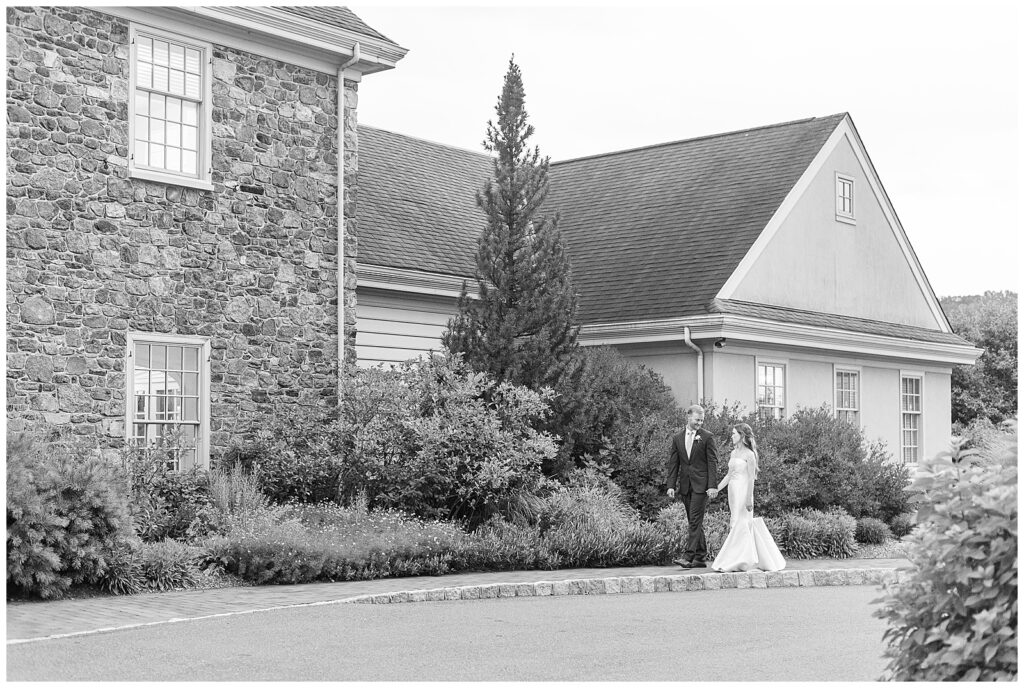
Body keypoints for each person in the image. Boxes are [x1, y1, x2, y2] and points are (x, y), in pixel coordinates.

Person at [707, 423, 785, 572]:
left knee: (741, 522)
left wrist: (749, 498)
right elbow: (729, 475)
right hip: (733, 490)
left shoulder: (750, 454)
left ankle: (742, 561)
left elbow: (751, 478)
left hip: (744, 491)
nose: (731, 436)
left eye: (734, 433)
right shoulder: (733, 453)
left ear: (742, 436)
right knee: (734, 521)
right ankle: (736, 559)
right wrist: (716, 489)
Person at [665, 404, 718, 568]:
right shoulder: (677, 438)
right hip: (686, 486)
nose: (699, 423)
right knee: (693, 520)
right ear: (688, 417)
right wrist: (671, 485)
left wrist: (712, 486)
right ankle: (700, 557)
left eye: (702, 420)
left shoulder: (707, 437)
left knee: (694, 520)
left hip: (701, 486)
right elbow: (674, 463)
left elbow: (712, 462)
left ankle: (688, 557)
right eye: (697, 420)